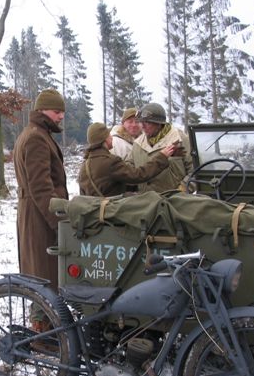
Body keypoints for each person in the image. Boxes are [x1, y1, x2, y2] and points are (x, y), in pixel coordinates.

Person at [13, 88, 68, 300]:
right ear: (42, 110)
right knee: (44, 278)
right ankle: (44, 329)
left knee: (40, 275)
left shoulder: (35, 133)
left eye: (62, 111)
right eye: (56, 111)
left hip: (35, 212)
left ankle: (45, 326)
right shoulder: (37, 138)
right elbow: (41, 187)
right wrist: (59, 223)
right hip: (40, 216)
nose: (61, 116)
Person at [78, 122, 179, 197]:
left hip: (95, 218)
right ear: (104, 139)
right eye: (109, 136)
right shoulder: (110, 162)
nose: (112, 138)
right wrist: (161, 157)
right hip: (111, 216)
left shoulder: (84, 166)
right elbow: (139, 175)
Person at [128, 103, 194, 193]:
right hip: (145, 202)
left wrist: (183, 189)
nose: (142, 126)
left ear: (159, 123)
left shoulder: (179, 139)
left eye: (147, 122)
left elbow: (195, 171)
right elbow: (130, 171)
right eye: (140, 122)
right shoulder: (137, 144)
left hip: (174, 202)